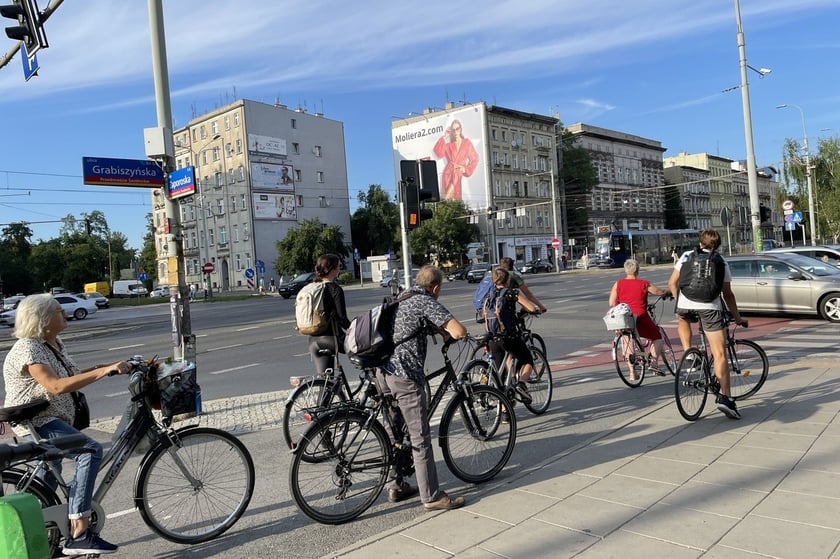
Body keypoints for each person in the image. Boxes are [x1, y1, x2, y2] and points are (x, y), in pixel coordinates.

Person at [2, 294, 133, 555]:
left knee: (47, 479)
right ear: (43, 320)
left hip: (53, 419)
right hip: (36, 421)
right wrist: (102, 372)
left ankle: (41, 538)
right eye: (59, 311)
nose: (65, 314)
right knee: (90, 450)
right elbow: (56, 386)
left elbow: (70, 374)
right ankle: (80, 530)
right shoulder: (29, 349)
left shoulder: (53, 343)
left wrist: (109, 367)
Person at [376, 265, 467, 510]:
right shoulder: (425, 301)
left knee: (394, 434)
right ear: (435, 287)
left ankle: (396, 485)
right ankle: (432, 496)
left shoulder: (402, 298)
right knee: (420, 437)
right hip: (405, 376)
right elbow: (458, 329)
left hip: (383, 374)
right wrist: (459, 335)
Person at [668, 229, 748, 419]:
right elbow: (727, 294)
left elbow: (672, 283)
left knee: (682, 318)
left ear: (700, 241)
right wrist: (737, 318)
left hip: (686, 304)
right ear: (717, 244)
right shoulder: (721, 261)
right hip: (710, 307)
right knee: (719, 354)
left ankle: (689, 353)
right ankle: (726, 399)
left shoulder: (687, 255)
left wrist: (679, 301)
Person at [485, 268, 537, 417]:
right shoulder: (511, 292)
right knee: (527, 359)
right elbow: (531, 307)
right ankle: (521, 384)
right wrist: (534, 310)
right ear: (507, 280)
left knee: (500, 377)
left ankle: (505, 413)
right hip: (509, 336)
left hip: (493, 338)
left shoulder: (489, 295)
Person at [608, 259, 670, 380]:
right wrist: (667, 292)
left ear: (625, 270)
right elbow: (659, 291)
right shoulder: (644, 283)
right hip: (640, 317)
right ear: (637, 270)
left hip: (624, 318)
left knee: (627, 341)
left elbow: (611, 302)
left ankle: (632, 373)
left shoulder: (618, 283)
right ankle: (653, 363)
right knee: (656, 337)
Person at [308, 254, 351, 376]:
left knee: (326, 381)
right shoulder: (335, 289)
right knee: (368, 353)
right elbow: (342, 319)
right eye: (338, 266)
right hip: (331, 339)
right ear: (332, 269)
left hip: (313, 340)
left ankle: (329, 391)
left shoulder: (312, 288)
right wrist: (356, 330)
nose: (339, 269)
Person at [432, 118, 479, 200]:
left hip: (458, 173)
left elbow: (475, 158)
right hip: (448, 173)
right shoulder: (449, 145)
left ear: (460, 129)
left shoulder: (466, 143)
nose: (455, 132)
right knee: (451, 201)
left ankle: (444, 203)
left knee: (450, 198)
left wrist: (466, 169)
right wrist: (445, 136)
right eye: (453, 130)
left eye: (457, 129)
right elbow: (438, 153)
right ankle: (445, 204)